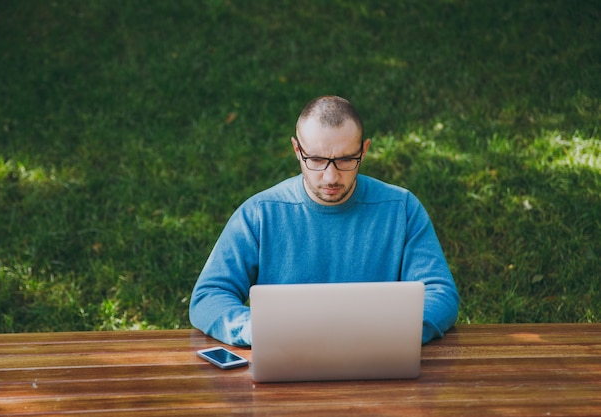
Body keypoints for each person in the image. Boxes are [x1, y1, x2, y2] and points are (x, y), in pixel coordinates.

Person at [189, 95, 459, 347]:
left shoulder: (402, 209)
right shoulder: (260, 213)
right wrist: (258, 330)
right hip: (286, 357)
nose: (331, 177)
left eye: (345, 160)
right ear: (297, 149)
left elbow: (440, 293)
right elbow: (209, 296)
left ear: (364, 151)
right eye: (316, 159)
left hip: (376, 357)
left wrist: (384, 333)